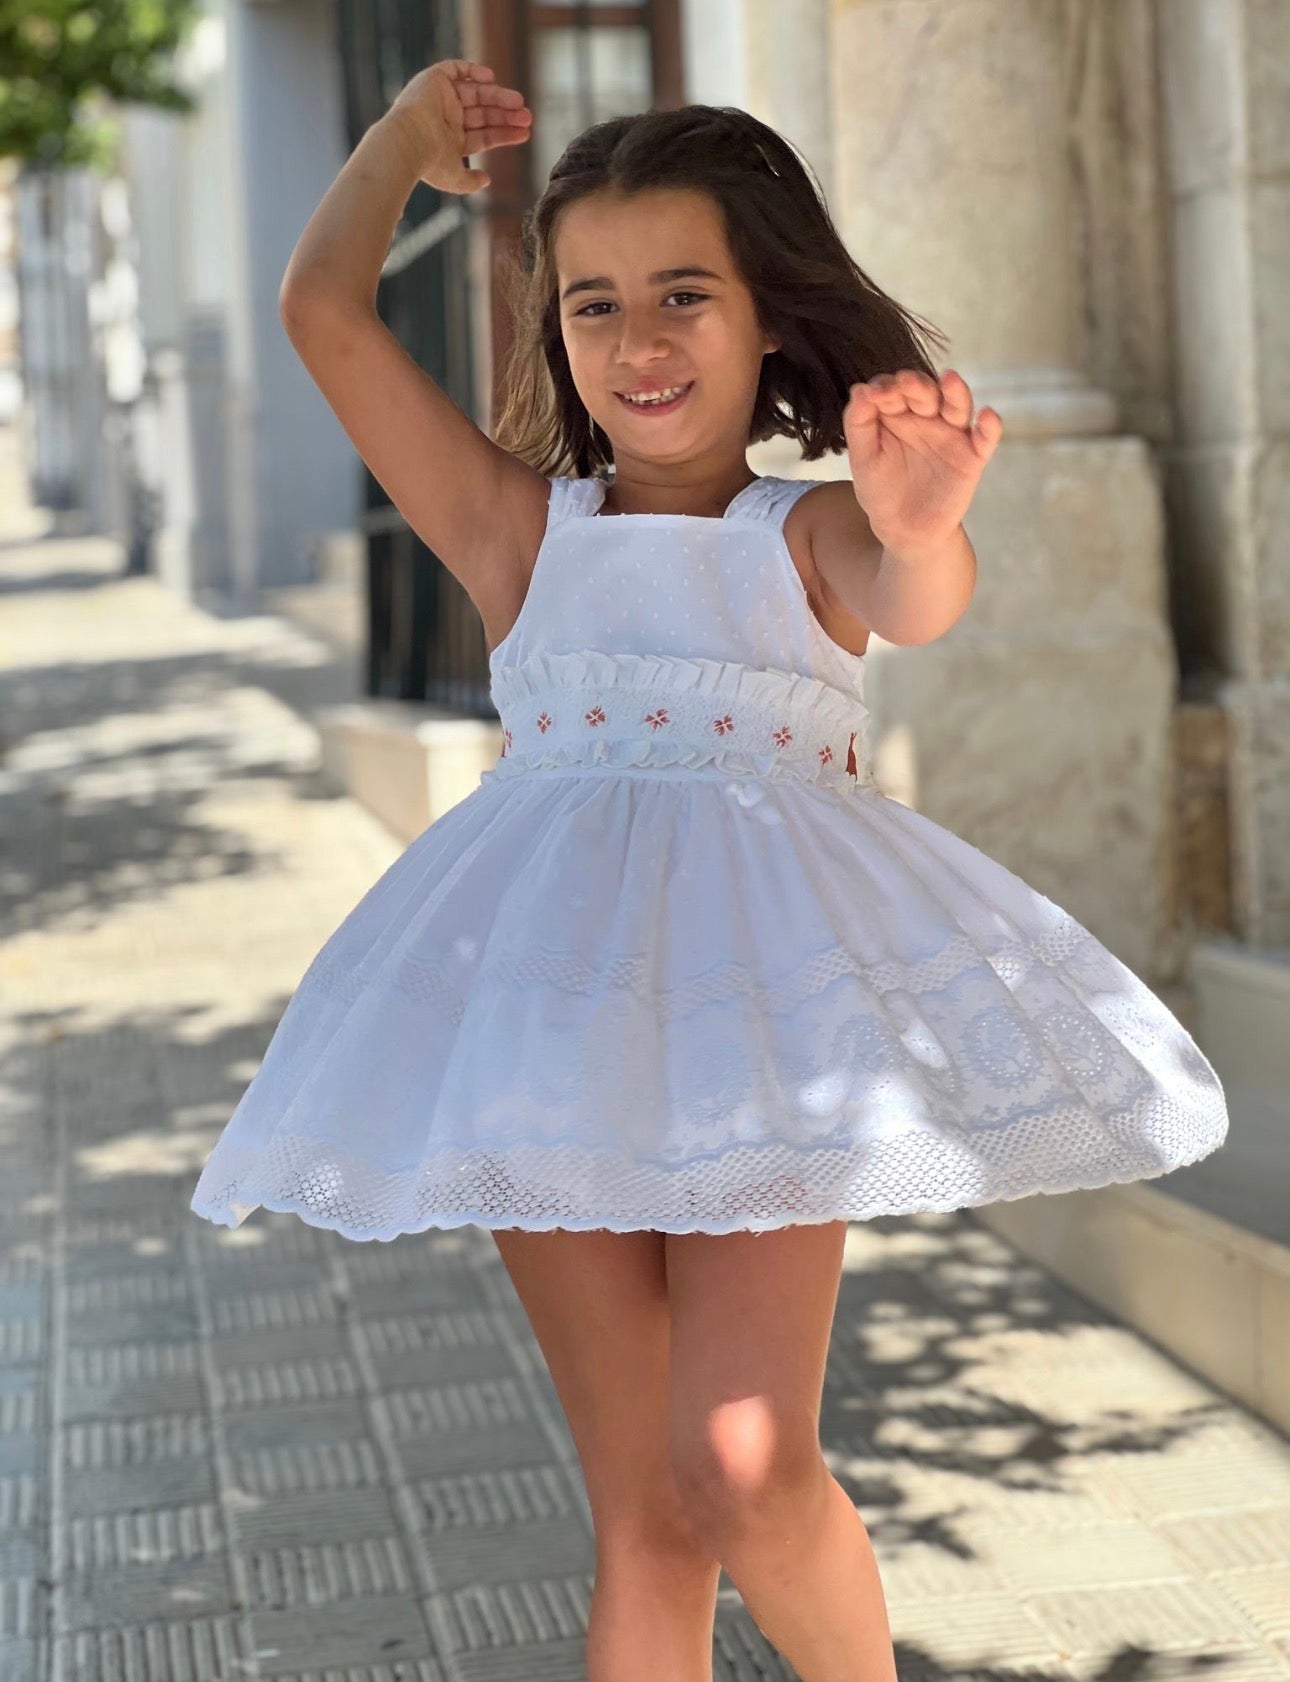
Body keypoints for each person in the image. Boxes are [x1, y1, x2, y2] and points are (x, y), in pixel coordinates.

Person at [189, 59, 1229, 1682]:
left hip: (761, 1039)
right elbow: (321, 310)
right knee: (649, 1518)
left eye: (684, 293)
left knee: (743, 1465)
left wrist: (921, 518)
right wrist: (399, 142)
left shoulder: (802, 535)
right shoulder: (518, 530)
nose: (639, 341)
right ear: (556, 336)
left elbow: (911, 592)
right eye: (592, 305)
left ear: (764, 320)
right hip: (549, 1032)